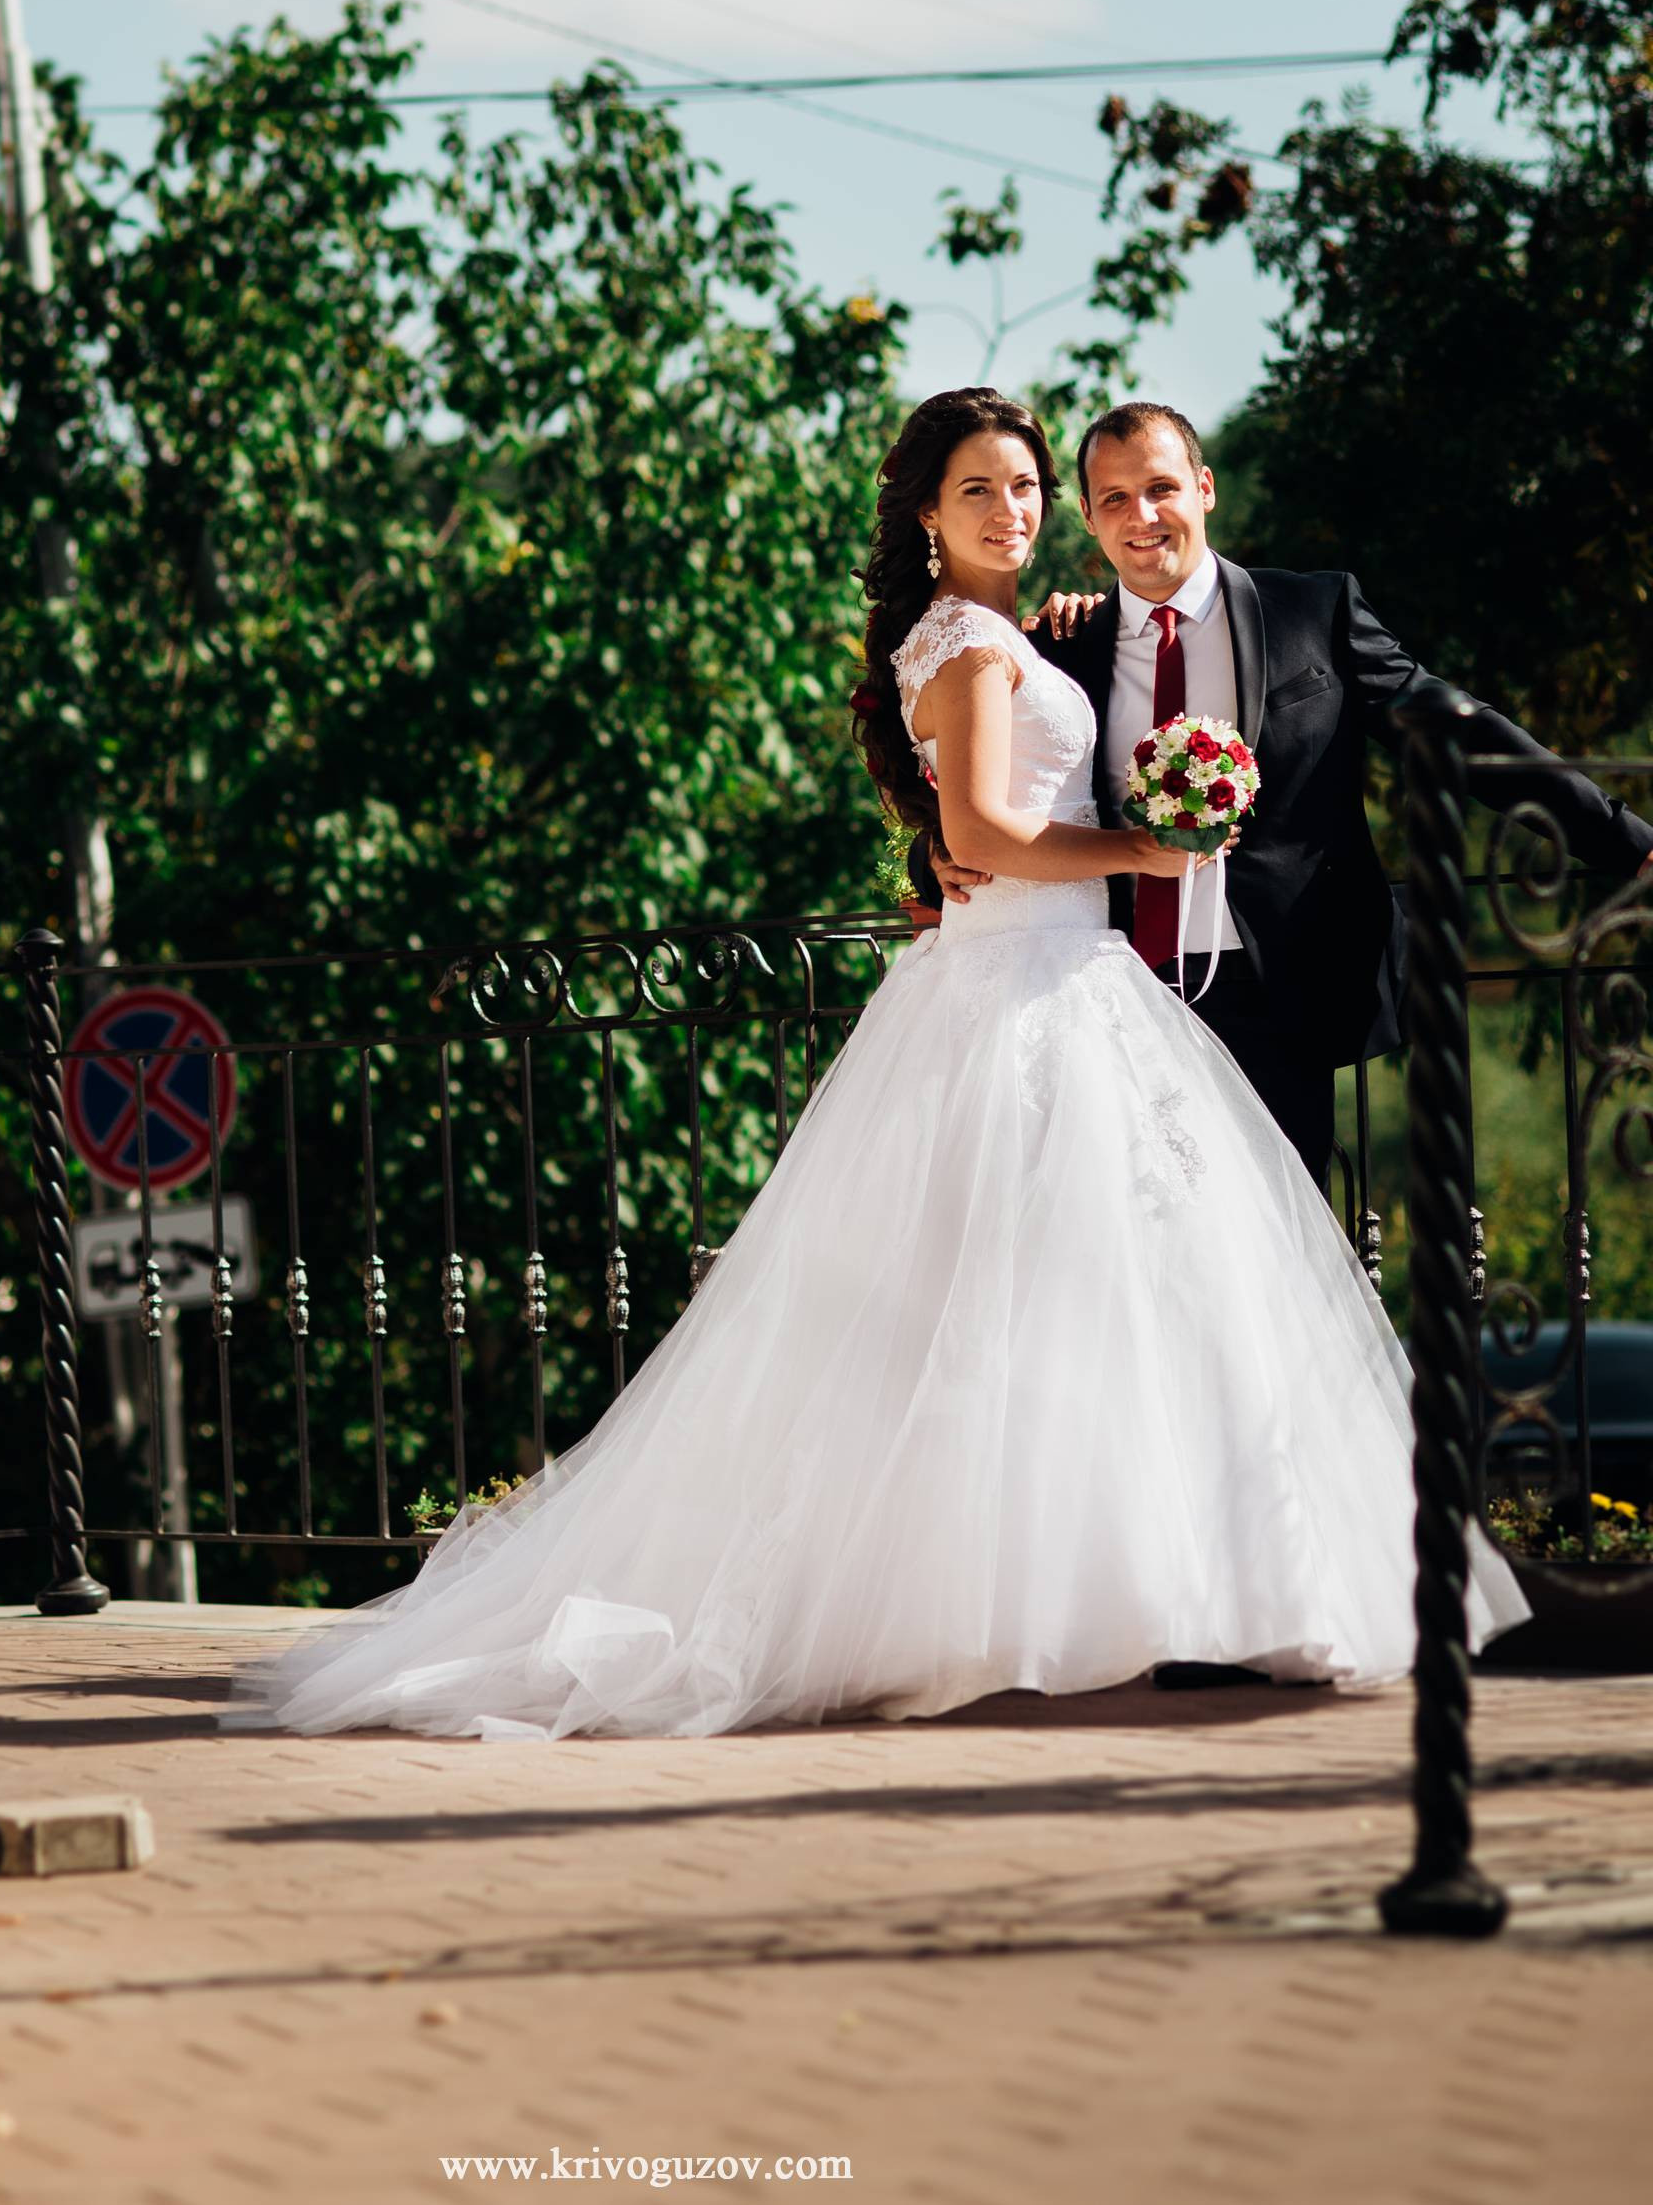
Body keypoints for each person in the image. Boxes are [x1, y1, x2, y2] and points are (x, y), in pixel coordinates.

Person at [227, 386, 1523, 1745]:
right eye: (982, 491)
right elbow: (986, 824)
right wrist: (1143, 851)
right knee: (1002, 1314)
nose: (1011, 512)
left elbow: (982, 813)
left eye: (1026, 490)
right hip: (1023, 989)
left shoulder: (1025, 634)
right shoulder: (965, 640)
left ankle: (1165, 1595)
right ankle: (1010, 1609)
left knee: (1100, 1314)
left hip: (1069, 984)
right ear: (926, 513)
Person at [913, 401, 1653, 1189]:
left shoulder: (1313, 612)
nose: (1144, 517)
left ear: (1204, 487)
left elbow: (1460, 735)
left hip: (1280, 993)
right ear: (1090, 518)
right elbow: (1001, 782)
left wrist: (1628, 841)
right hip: (1110, 991)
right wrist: (934, 858)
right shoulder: (1061, 646)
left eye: (1162, 488)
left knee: (1269, 1254)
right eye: (1117, 500)